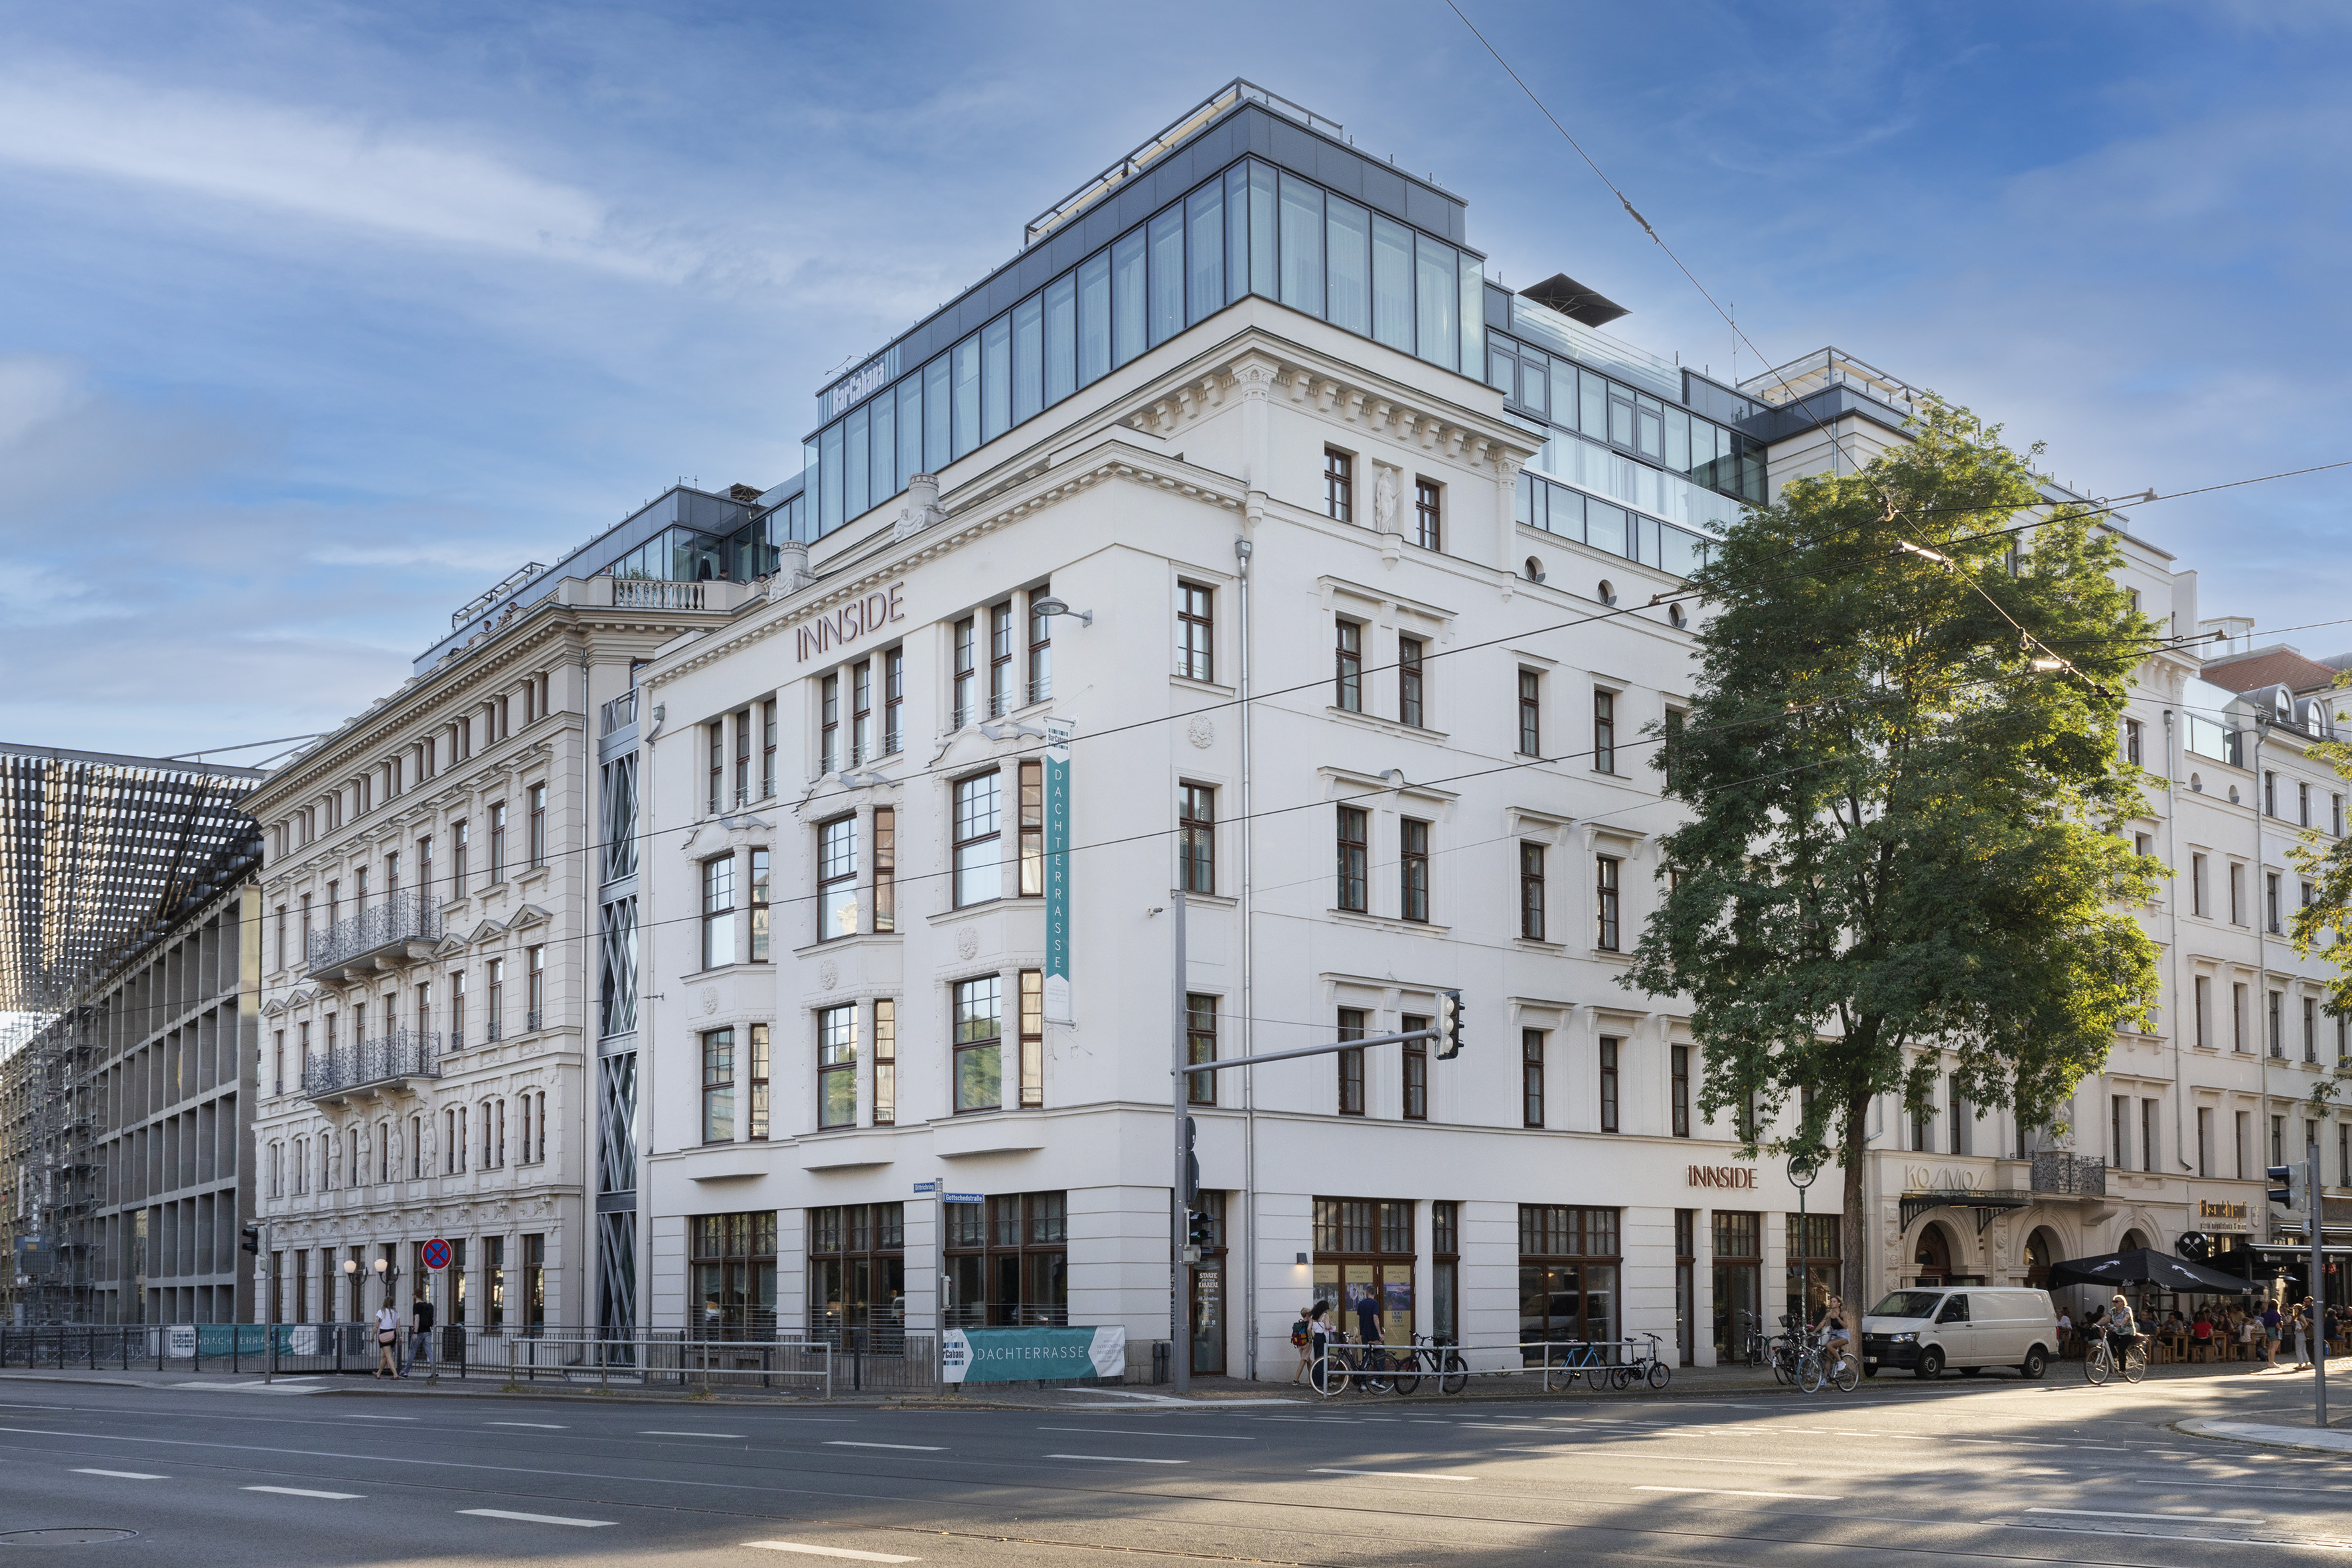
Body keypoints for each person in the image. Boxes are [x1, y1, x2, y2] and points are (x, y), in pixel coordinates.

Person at [1814, 1294, 1855, 1381]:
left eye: (1834, 1302)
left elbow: (1845, 1326)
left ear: (1839, 1303)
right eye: (1831, 1302)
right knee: (1829, 1358)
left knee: (1829, 1345)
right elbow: (1823, 1323)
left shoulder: (1843, 1313)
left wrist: (1838, 1318)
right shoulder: (1829, 1313)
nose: (1832, 1304)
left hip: (1843, 1335)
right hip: (1835, 1334)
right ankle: (1825, 1379)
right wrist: (1814, 1331)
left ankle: (1841, 1363)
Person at [404, 1291, 437, 1377]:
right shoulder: (427, 1305)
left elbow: (417, 1319)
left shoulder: (416, 1306)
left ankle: (405, 1372)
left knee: (412, 1352)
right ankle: (435, 1372)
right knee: (430, 1352)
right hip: (428, 1331)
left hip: (419, 1332)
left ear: (415, 1295)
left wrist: (415, 1332)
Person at [1304, 1300, 1333, 1393]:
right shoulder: (1325, 1316)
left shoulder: (1313, 1317)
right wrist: (1330, 1325)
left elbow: (1309, 1329)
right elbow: (1328, 1327)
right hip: (1323, 1338)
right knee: (1323, 1360)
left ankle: (1314, 1381)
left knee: (1317, 1359)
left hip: (1316, 1338)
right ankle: (1321, 1382)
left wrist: (1311, 1338)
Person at [373, 1300, 402, 1379]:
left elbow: (376, 1325)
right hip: (393, 1335)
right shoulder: (396, 1313)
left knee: (388, 1355)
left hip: (384, 1334)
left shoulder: (381, 1312)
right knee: (385, 1356)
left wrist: (372, 1336)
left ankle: (395, 1374)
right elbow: (398, 1326)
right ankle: (378, 1373)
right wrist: (400, 1337)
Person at [1290, 1307, 1314, 1385]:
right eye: (1310, 1315)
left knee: (1309, 1361)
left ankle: (1312, 1380)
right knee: (1303, 1361)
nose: (1310, 1316)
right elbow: (1309, 1330)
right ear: (1307, 1315)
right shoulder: (1308, 1324)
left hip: (1300, 1344)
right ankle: (1296, 1380)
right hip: (1307, 1344)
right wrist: (1311, 1338)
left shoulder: (1299, 1325)